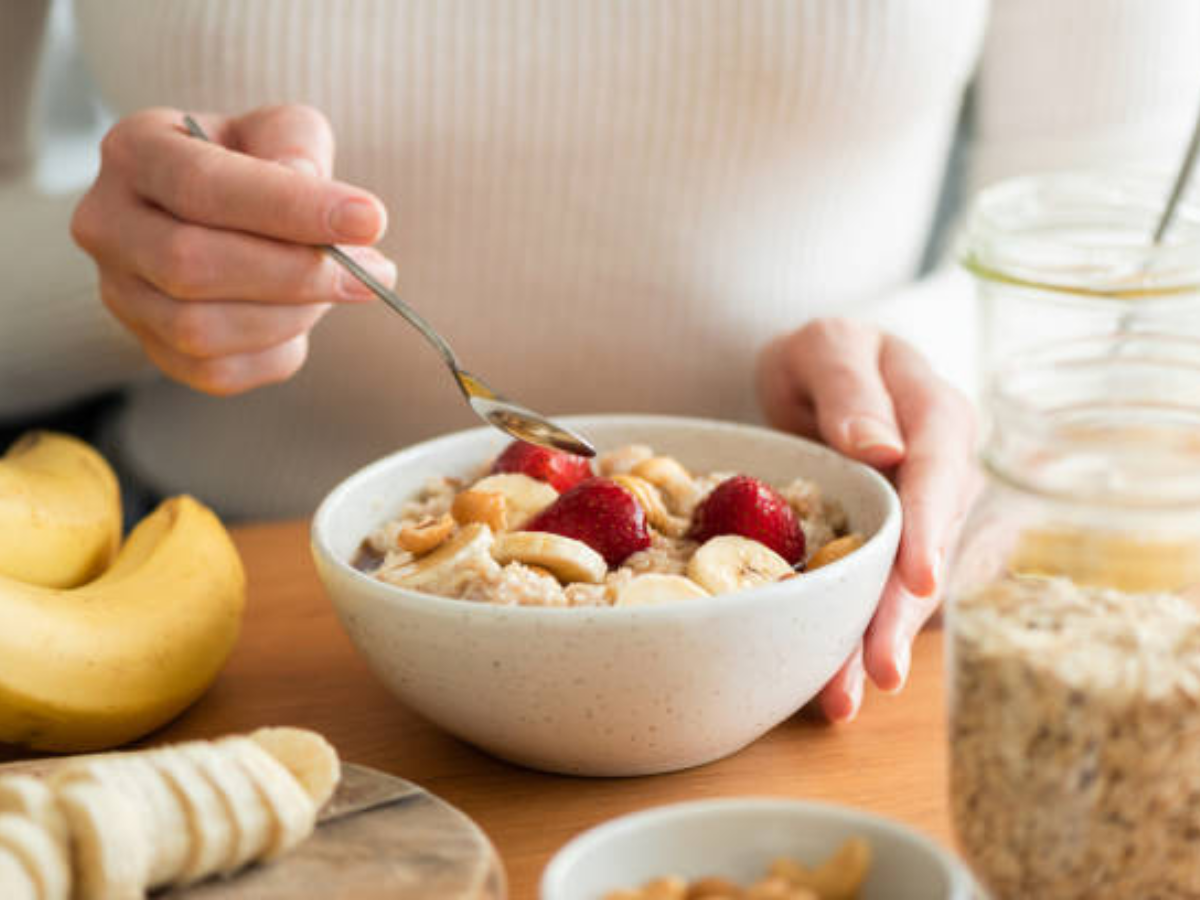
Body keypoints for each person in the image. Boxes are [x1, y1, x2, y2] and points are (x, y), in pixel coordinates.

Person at [2, 0, 1197, 723]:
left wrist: (922, 367)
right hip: (214, 625)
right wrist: (118, 277)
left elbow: (1134, 222)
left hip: (813, 644)